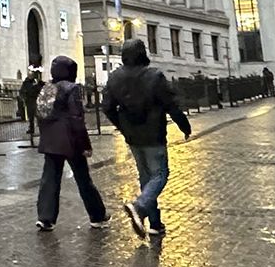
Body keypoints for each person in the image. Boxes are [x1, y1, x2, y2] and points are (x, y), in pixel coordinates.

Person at [101, 39, 191, 239]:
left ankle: (154, 223)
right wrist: (184, 125)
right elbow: (171, 105)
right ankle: (140, 207)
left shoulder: (115, 77)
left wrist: (122, 126)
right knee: (160, 174)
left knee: (146, 177)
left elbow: (107, 107)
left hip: (133, 136)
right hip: (154, 134)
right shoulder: (154, 77)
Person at [32, 56, 108, 232]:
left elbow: (41, 114)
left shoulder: (47, 88)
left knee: (49, 180)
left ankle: (45, 218)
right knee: (83, 179)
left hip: (51, 141)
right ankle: (97, 215)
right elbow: (76, 118)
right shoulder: (71, 88)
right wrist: (85, 145)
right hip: (70, 140)